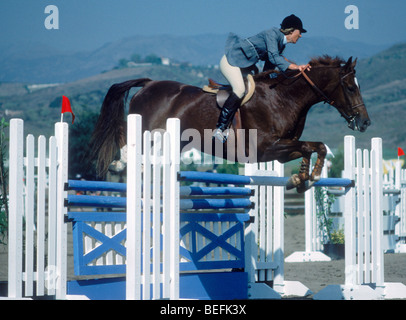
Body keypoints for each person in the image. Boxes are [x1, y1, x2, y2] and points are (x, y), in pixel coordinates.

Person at [213, 14, 311, 143]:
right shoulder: (272, 34)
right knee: (240, 89)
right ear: (292, 30)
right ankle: (220, 128)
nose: (300, 35)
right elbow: (274, 58)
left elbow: (269, 68)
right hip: (231, 62)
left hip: (245, 66)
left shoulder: (280, 43)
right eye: (300, 32)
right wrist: (295, 67)